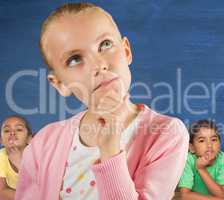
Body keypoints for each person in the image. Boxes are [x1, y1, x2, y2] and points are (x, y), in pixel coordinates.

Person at [15, 3, 189, 200]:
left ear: (126, 51)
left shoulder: (167, 133)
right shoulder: (42, 145)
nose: (99, 65)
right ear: (60, 84)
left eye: (105, 45)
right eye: (74, 59)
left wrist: (110, 151)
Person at [179, 120, 224, 200]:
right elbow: (185, 195)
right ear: (192, 148)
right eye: (202, 141)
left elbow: (221, 194)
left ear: (220, 144)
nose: (209, 145)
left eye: (214, 140)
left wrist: (201, 169)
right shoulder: (188, 160)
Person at [0, 116, 32, 200]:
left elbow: (45, 189)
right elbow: (1, 192)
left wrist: (20, 164)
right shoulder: (1, 156)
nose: (12, 133)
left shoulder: (38, 156)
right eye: (7, 130)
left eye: (19, 129)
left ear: (29, 139)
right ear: (1, 141)